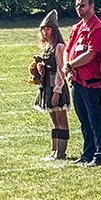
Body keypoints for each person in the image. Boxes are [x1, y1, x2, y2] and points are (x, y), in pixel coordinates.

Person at [64, 0, 101, 166]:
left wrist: (70, 65)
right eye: (77, 6)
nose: (79, 9)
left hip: (90, 81)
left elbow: (91, 54)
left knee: (94, 118)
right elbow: (68, 49)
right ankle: (87, 152)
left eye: (82, 5)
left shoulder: (97, 28)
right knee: (83, 119)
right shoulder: (77, 27)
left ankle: (99, 154)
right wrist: (69, 67)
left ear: (92, 6)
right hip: (76, 80)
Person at [33, 9, 70, 161]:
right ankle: (54, 150)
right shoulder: (47, 47)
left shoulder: (59, 46)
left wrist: (57, 91)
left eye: (48, 29)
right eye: (43, 29)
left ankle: (61, 152)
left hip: (56, 87)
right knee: (54, 120)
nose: (45, 32)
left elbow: (62, 69)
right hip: (47, 86)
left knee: (61, 120)